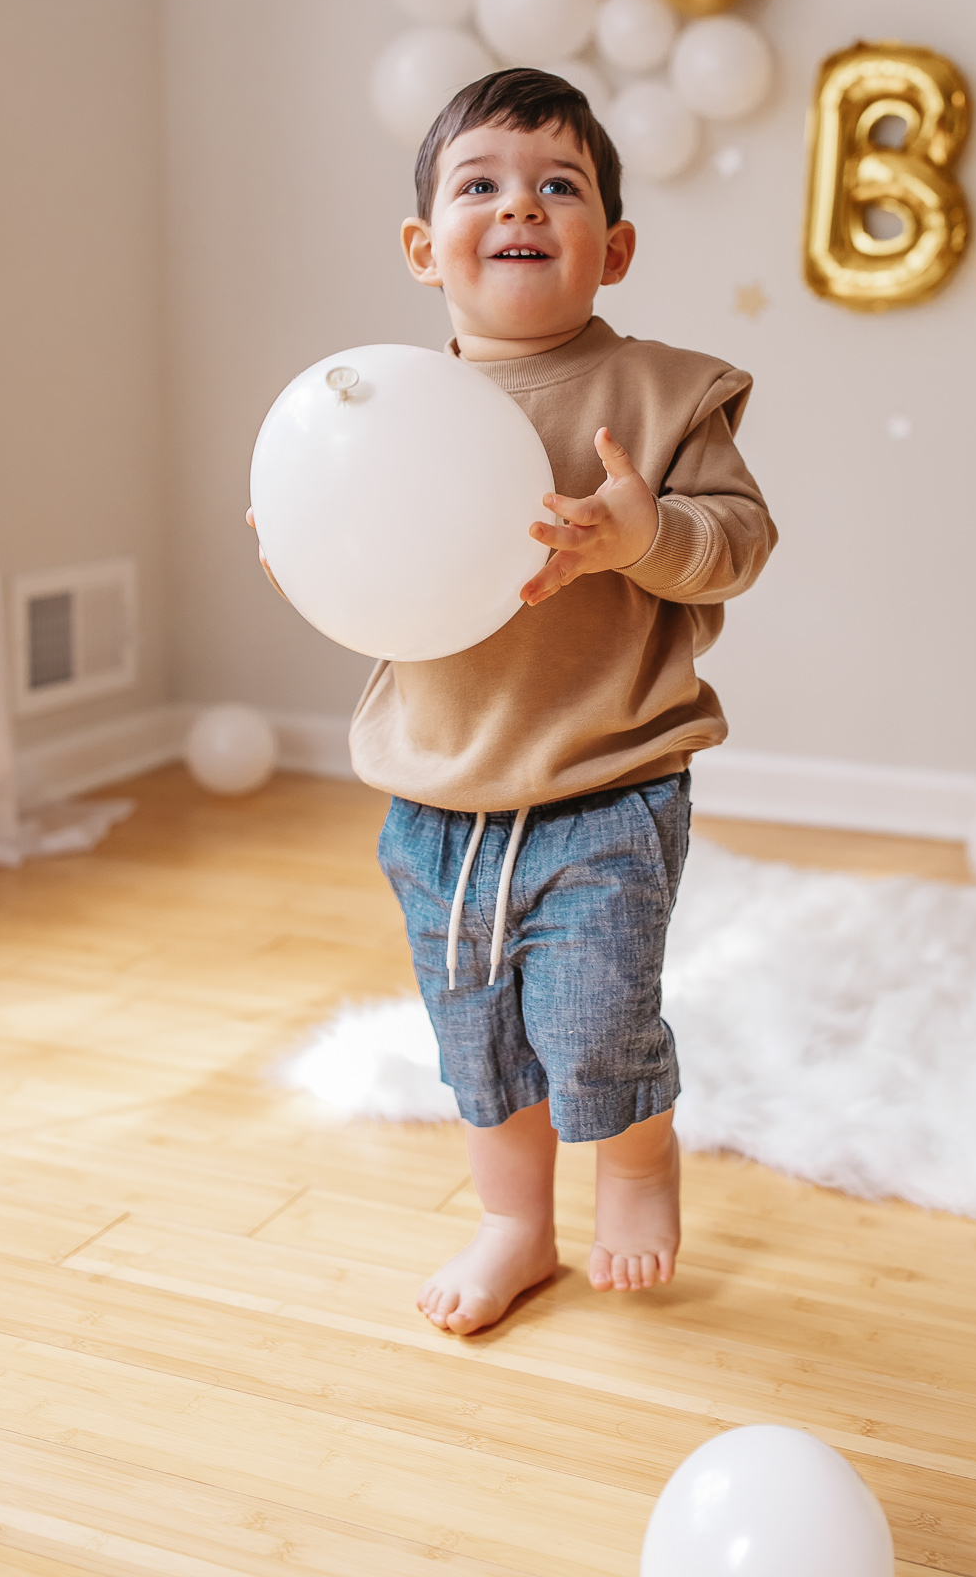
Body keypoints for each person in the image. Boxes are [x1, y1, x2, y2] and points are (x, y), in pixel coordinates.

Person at [265, 67, 776, 1334]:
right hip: (439, 792)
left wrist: (643, 529)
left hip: (606, 778)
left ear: (614, 244)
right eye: (480, 183)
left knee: (596, 1024)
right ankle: (512, 1223)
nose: (520, 206)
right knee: (477, 1041)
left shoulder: (660, 396)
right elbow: (357, 557)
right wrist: (308, 549)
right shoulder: (379, 410)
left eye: (560, 184)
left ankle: (641, 1165)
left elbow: (740, 541)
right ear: (422, 244)